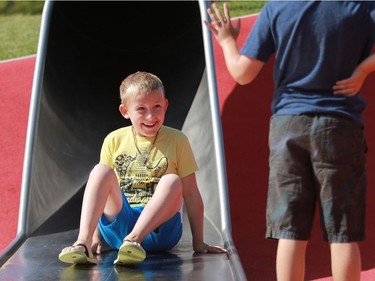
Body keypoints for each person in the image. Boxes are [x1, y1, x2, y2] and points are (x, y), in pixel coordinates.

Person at [205, 2, 375, 281]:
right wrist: (363, 70)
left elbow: (242, 73)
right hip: (339, 125)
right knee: (343, 232)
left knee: (290, 231)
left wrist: (226, 41)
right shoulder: (359, 6)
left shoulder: (278, 8)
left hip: (288, 126)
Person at [58, 71, 227, 266]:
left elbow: (191, 194)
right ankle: (83, 243)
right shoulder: (114, 140)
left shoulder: (177, 140)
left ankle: (134, 241)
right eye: (141, 108)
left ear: (165, 106)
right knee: (100, 171)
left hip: (160, 229)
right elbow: (100, 193)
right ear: (125, 111)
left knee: (172, 180)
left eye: (157, 107)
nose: (150, 115)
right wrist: (95, 237)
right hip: (121, 225)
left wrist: (198, 242)